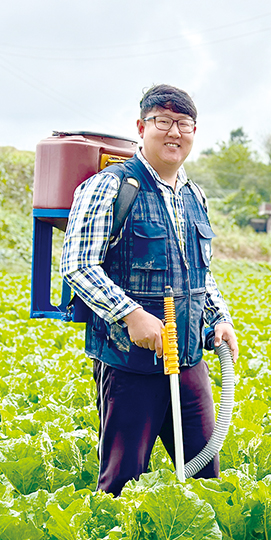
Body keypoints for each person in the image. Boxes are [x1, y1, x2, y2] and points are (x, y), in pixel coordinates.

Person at [60, 84, 238, 496]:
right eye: (163, 122)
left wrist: (220, 317)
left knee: (203, 478)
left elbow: (200, 272)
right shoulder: (111, 186)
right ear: (142, 127)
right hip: (129, 364)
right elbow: (77, 265)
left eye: (183, 123)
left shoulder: (195, 195)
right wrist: (131, 314)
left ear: (195, 131)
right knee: (122, 483)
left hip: (190, 357)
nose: (174, 132)